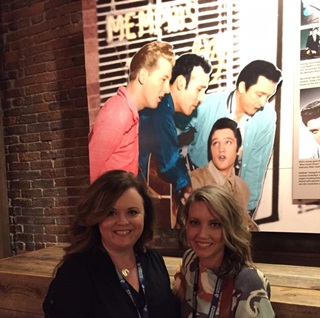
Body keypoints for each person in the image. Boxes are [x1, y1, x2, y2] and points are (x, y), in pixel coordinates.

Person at [43, 170, 179, 318]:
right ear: (95, 217)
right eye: (111, 213)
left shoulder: (154, 260)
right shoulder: (76, 273)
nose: (123, 221)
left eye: (132, 212)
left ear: (145, 216)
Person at [176, 60, 282, 215]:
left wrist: (246, 212)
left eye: (268, 96)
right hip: (198, 186)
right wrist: (180, 180)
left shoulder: (267, 118)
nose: (263, 103)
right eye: (260, 95)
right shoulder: (205, 105)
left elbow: (256, 167)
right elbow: (169, 134)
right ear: (242, 87)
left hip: (234, 194)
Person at [173, 185, 274, 317]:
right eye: (194, 223)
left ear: (230, 228)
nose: (202, 234)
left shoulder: (247, 280)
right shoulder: (190, 260)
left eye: (215, 224)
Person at [89, 41, 175, 183]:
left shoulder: (129, 113)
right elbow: (89, 174)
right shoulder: (118, 112)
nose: (167, 89)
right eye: (163, 79)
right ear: (142, 76)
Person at [139, 53, 212, 202]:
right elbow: (170, 161)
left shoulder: (164, 108)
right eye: (199, 89)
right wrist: (188, 187)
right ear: (180, 83)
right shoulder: (161, 110)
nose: (202, 98)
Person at [189, 117, 258, 231]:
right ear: (210, 149)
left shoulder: (242, 187)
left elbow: (246, 223)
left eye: (228, 142)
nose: (221, 149)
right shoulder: (194, 182)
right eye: (215, 143)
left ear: (238, 149)